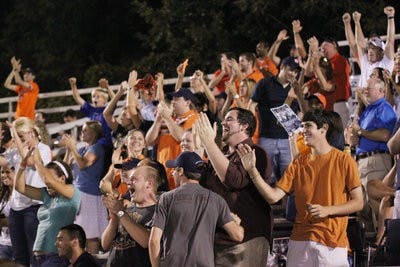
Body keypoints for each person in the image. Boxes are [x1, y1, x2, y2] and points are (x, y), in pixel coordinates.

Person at [237, 109, 363, 266]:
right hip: (299, 240)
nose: (303, 130)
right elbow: (273, 196)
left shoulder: (344, 161)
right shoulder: (298, 163)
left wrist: (327, 210)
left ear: (323, 128)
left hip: (331, 243)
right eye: (302, 126)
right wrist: (252, 171)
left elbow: (358, 203)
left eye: (308, 126)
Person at [195, 108, 272, 266]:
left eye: (229, 119)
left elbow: (234, 180)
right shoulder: (219, 155)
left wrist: (210, 144)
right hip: (219, 240)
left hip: (248, 239)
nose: (223, 122)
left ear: (244, 126)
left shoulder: (257, 152)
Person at [149, 151, 244, 267]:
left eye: (174, 170)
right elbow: (238, 235)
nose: (173, 173)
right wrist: (237, 224)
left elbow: (154, 241)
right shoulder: (216, 200)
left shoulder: (166, 198)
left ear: (181, 171)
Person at [14, 143, 80, 267]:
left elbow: (48, 180)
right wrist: (22, 164)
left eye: (48, 177)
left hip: (55, 258)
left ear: (62, 178)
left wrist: (36, 151)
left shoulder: (72, 192)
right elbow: (20, 187)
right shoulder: (47, 195)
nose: (45, 181)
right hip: (37, 258)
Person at [348, 77, 397, 230]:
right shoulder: (369, 109)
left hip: (376, 161)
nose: (365, 90)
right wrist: (354, 137)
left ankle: (383, 241)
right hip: (361, 161)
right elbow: (359, 134)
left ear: (382, 91)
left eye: (369, 88)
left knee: (377, 206)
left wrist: (361, 131)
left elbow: (385, 135)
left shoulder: (384, 107)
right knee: (363, 209)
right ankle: (368, 248)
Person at [8, 117, 52, 267]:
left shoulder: (44, 149)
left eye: (20, 136)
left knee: (34, 253)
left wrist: (14, 129)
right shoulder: (14, 151)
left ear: (32, 132)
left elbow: (30, 161)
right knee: (18, 255)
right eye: (16, 137)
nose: (17, 140)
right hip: (16, 207)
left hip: (34, 207)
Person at [251, 56, 300, 182]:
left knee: (288, 177)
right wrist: (251, 129)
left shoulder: (295, 88)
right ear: (282, 67)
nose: (293, 73)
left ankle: (285, 202)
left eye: (296, 71)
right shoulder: (265, 83)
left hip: (288, 140)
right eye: (291, 69)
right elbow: (252, 105)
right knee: (266, 176)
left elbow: (301, 112)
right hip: (266, 137)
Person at [62, 120, 108, 254]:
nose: (82, 133)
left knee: (90, 236)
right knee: (79, 235)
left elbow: (83, 164)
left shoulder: (97, 148)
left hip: (90, 196)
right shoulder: (82, 149)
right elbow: (65, 168)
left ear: (93, 133)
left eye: (84, 130)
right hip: (78, 194)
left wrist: (74, 149)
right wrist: (69, 149)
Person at [101, 165, 160, 267]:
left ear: (149, 184)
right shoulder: (125, 208)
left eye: (134, 180)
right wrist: (114, 218)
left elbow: (146, 241)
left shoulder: (158, 211)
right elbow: (105, 244)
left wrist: (120, 212)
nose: (128, 183)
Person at [145, 88, 199, 189]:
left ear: (187, 102)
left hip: (181, 173)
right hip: (163, 171)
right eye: (172, 99)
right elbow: (149, 141)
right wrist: (158, 120)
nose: (173, 102)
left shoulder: (195, 117)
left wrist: (167, 118)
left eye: (177, 99)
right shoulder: (170, 119)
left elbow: (181, 137)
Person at [353, 6, 395, 88]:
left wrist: (390, 17)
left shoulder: (386, 62)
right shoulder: (365, 60)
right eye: (369, 48)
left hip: (379, 99)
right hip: (363, 99)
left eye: (374, 48)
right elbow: (360, 43)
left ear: (381, 52)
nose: (370, 51)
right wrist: (357, 22)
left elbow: (390, 41)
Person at [320, 37, 351, 127]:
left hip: (339, 104)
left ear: (334, 45)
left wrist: (320, 59)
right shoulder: (325, 62)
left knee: (343, 134)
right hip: (328, 105)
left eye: (325, 46)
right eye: (321, 48)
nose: (323, 49)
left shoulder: (341, 59)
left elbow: (329, 74)